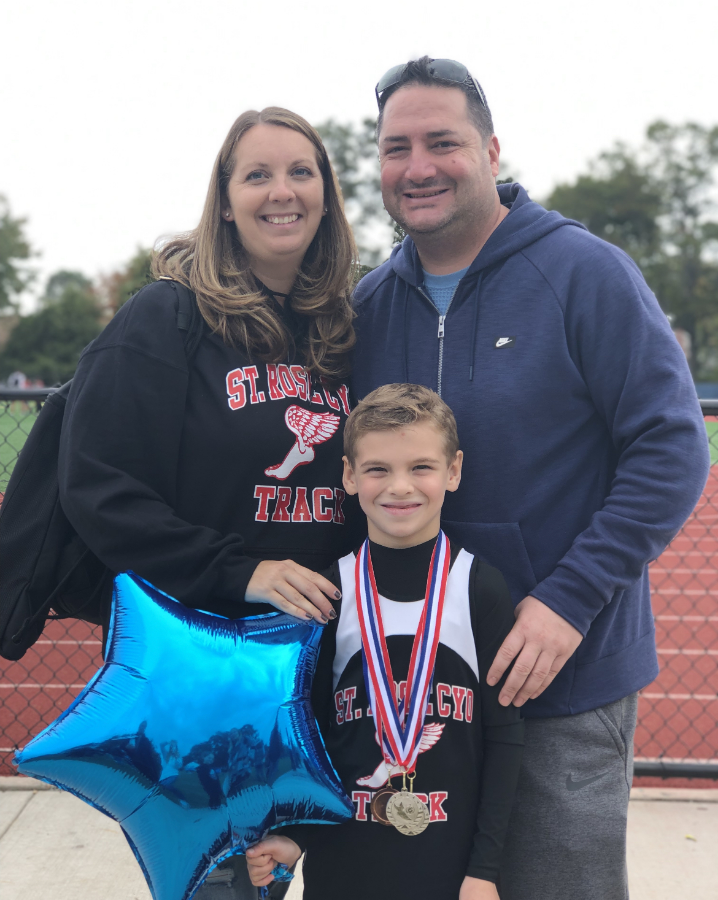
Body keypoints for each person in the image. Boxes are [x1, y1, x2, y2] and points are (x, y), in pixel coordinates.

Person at [349, 58, 711, 900]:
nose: (419, 166)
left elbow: (671, 448)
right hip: (410, 684)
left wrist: (568, 602)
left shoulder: (585, 272)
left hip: (555, 674)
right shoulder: (369, 305)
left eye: (443, 141)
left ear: (491, 149)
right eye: (396, 147)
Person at [58, 106, 365, 900]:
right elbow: (97, 484)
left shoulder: (344, 327)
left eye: (301, 172)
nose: (281, 191)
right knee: (229, 883)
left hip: (327, 665)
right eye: (256, 174)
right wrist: (244, 569)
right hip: (210, 667)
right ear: (223, 200)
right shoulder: (166, 317)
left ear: (327, 194)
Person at [246, 383, 524, 900]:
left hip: (449, 865)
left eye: (421, 467)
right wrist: (297, 837)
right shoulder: (327, 591)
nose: (399, 486)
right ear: (349, 475)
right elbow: (315, 736)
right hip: (344, 865)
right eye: (377, 469)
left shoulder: (479, 587)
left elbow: (504, 739)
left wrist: (486, 871)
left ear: (454, 471)